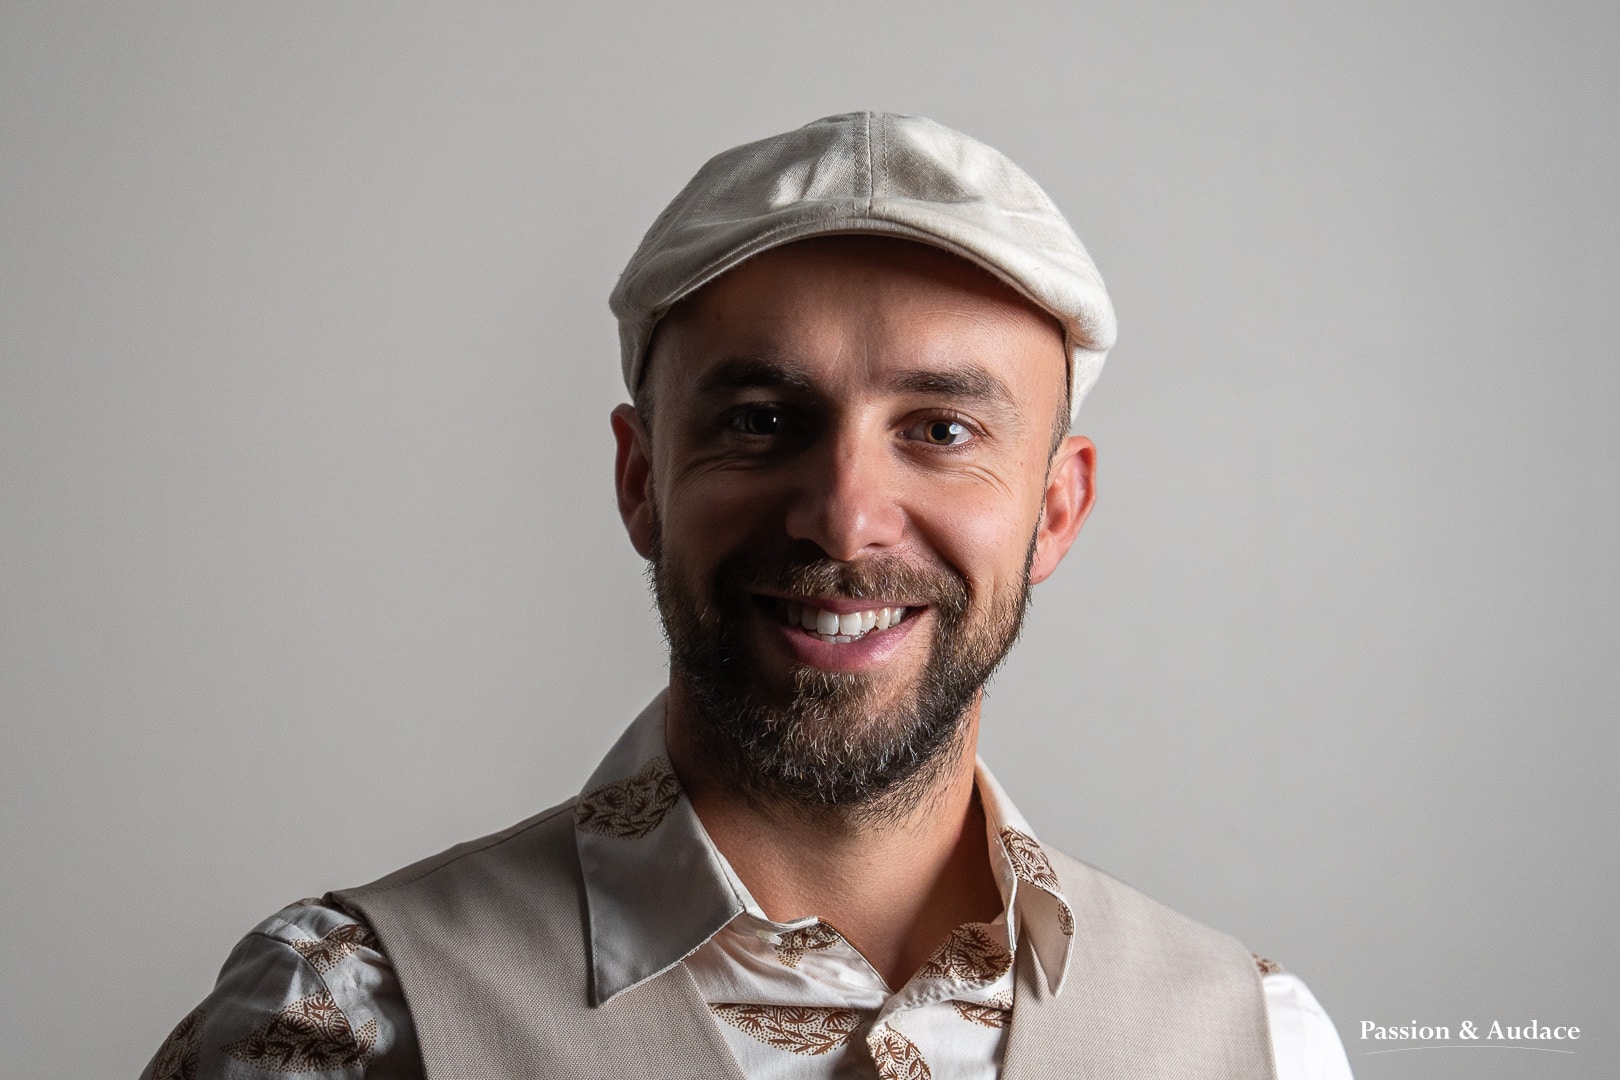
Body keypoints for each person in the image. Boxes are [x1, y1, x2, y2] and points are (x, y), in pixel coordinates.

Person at [140, 112, 1353, 1080]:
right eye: (762, 422)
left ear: (1055, 509)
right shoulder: (347, 1020)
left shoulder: (1260, 1044)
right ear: (640, 480)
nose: (844, 515)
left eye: (940, 428)